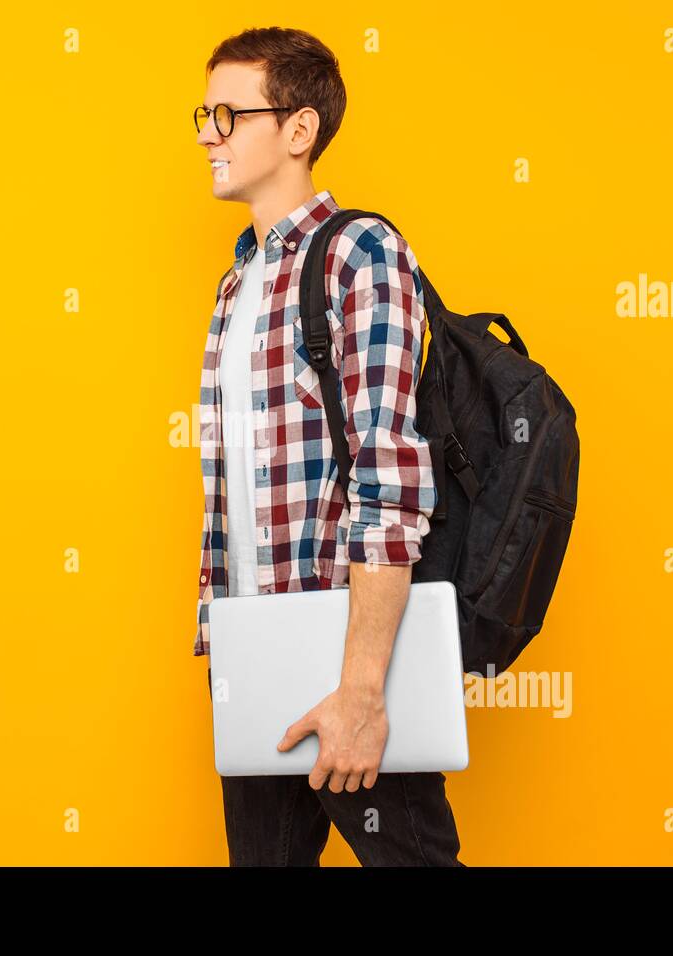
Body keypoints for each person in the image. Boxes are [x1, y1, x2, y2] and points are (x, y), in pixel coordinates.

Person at [192, 26, 464, 866]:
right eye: (203, 114)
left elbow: (389, 474)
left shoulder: (359, 253)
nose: (206, 133)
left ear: (299, 130)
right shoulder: (238, 283)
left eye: (229, 115)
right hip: (254, 653)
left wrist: (363, 690)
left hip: (339, 657)